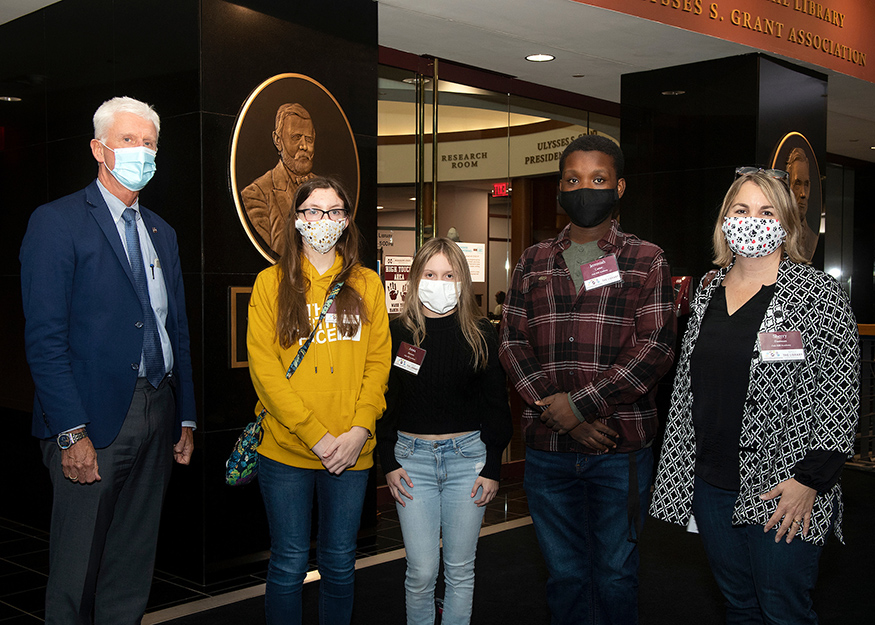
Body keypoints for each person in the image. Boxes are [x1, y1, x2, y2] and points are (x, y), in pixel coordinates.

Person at [650, 168, 859, 625]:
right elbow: (689, 386)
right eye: (741, 210)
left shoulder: (817, 293)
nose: (752, 220)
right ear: (725, 220)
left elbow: (838, 390)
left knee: (784, 611)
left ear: (786, 222)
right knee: (739, 607)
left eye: (766, 211)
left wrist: (811, 481)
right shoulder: (706, 291)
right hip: (711, 482)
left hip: (784, 486)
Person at [19, 96, 197, 624]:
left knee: (132, 565)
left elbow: (176, 330)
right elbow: (45, 340)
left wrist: (184, 414)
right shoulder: (57, 223)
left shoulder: (162, 232)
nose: (141, 151)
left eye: (149, 143)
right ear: (99, 149)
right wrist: (70, 433)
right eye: (128, 140)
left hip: (157, 412)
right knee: (76, 575)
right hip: (90, 421)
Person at [499, 135, 676, 625]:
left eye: (598, 180)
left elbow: (656, 350)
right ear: (560, 188)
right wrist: (558, 410)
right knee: (565, 575)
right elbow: (512, 342)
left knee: (617, 575)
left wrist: (581, 407)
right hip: (547, 450)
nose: (585, 189)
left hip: (619, 450)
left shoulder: (647, 259)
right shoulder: (533, 261)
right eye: (573, 180)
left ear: (618, 187)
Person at [246, 176, 391, 625]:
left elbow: (378, 364)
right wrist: (316, 436)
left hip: (351, 451)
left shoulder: (367, 284)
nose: (322, 220)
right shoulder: (271, 283)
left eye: (332, 212)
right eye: (311, 211)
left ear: (346, 221)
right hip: (288, 451)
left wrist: (358, 431)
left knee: (340, 564)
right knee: (288, 565)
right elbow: (266, 372)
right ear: (296, 220)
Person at [378, 237, 513, 625]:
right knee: (420, 571)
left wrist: (492, 467)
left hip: (467, 462)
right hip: (411, 462)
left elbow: (496, 407)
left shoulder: (482, 334)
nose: (440, 282)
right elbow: (386, 403)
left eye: (449, 274)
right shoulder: (397, 333)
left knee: (460, 570)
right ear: (416, 279)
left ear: (462, 281)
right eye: (431, 273)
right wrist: (387, 459)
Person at [242, 103, 318, 257]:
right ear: (278, 140)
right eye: (296, 138)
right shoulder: (256, 194)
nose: (304, 146)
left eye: (309, 139)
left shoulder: (327, 192)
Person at [785, 147, 818, 261]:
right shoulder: (774, 238)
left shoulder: (812, 238)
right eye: (797, 184)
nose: (803, 194)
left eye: (806, 184)